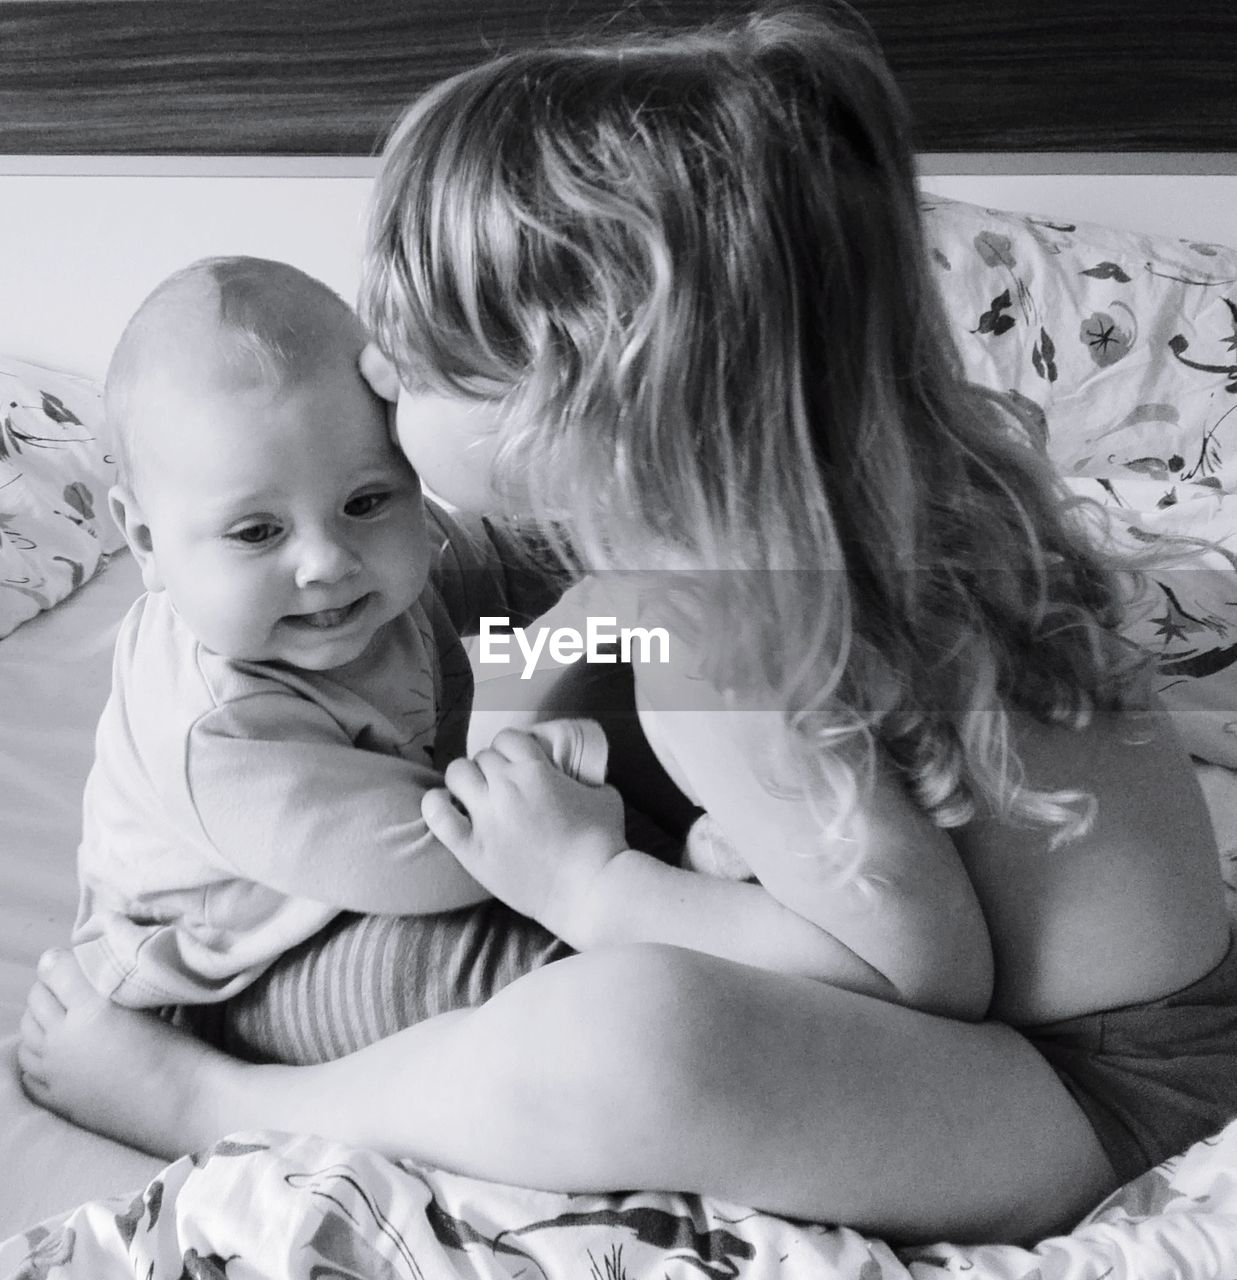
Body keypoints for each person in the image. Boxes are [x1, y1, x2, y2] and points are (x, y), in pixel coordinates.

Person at [19, 6, 1237, 1246]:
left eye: (420, 356)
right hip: (1131, 1023)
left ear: (569, 401)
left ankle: (218, 1097)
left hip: (1081, 1099)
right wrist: (565, 654)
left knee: (632, 1031)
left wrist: (592, 882)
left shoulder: (719, 633)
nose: (375, 377)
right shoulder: (870, 499)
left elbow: (928, 978)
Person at [57, 254, 613, 1066]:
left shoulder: (372, 564)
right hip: (241, 969)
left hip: (364, 877)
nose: (327, 559)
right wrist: (596, 846)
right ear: (145, 543)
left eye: (366, 501)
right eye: (257, 532)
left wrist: (638, 569)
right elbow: (429, 860)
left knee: (614, 692)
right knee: (503, 975)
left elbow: (512, 566)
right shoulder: (221, 725)